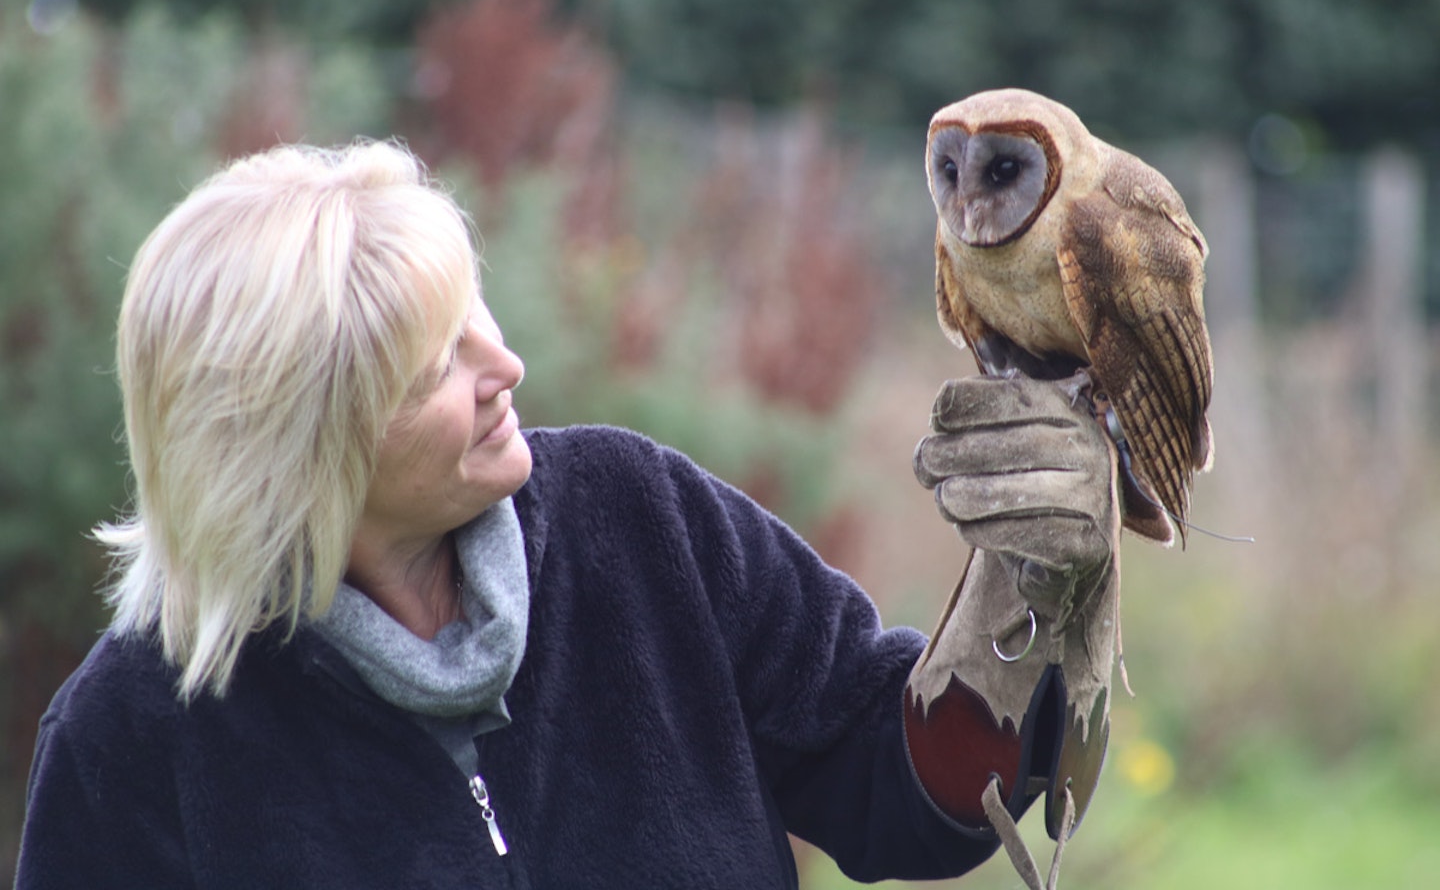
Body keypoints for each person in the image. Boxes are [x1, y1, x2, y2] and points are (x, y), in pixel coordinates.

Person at [15, 140, 1120, 889]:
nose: (507, 365)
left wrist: (1025, 589)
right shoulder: (131, 741)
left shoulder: (637, 518)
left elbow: (900, 783)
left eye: (476, 316)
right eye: (435, 361)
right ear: (295, 441)